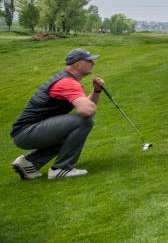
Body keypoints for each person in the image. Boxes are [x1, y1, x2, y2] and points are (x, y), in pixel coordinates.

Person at [10, 48, 105, 179]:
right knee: (84, 121)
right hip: (27, 132)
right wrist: (87, 107)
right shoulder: (67, 82)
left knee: (74, 127)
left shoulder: (66, 79)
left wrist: (96, 91)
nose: (93, 63)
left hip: (28, 131)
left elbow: (86, 106)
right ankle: (62, 168)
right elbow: (87, 110)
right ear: (78, 64)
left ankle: (29, 162)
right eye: (89, 61)